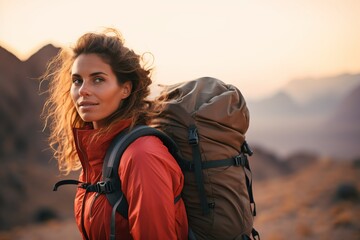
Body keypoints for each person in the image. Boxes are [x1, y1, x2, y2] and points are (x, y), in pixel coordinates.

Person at [41, 28, 188, 240]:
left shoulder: (141, 156)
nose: (83, 90)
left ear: (125, 89)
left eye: (98, 79)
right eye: (77, 80)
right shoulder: (100, 154)